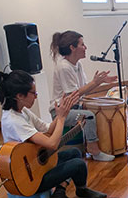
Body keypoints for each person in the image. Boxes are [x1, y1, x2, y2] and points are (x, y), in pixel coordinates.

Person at [0, 69, 106, 198]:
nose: (36, 96)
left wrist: (63, 111)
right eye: (33, 93)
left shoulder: (22, 111)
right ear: (19, 95)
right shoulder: (13, 120)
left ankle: (71, 191)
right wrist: (60, 119)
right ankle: (65, 193)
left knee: (74, 153)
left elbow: (47, 129)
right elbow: (52, 144)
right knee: (78, 163)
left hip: (35, 165)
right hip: (29, 180)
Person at [50, 30, 117, 162]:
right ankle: (93, 150)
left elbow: (84, 89)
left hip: (73, 107)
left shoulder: (77, 65)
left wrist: (100, 82)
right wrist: (95, 82)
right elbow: (73, 95)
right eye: (82, 44)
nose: (85, 47)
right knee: (89, 116)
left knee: (97, 108)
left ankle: (100, 145)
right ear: (72, 47)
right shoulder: (64, 67)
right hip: (60, 112)